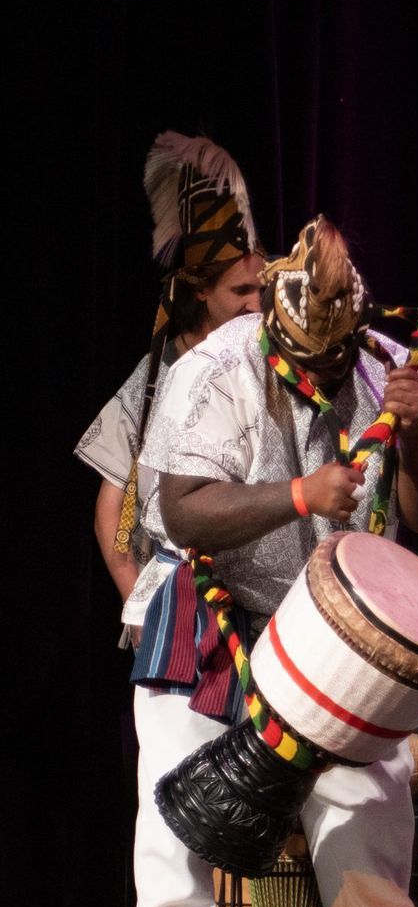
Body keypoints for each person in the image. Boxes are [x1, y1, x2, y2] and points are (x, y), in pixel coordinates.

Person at [133, 215, 418, 907]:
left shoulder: (390, 366)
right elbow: (180, 511)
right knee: (178, 786)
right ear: (272, 329)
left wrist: (415, 434)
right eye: (302, 358)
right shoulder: (216, 365)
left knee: (368, 793)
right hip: (214, 603)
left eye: (334, 357)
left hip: (327, 629)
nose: (319, 371)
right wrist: (298, 495)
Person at [76, 133, 265, 646]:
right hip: (178, 607)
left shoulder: (270, 365)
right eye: (240, 291)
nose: (256, 305)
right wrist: (134, 599)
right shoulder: (162, 371)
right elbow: (109, 510)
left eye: (262, 290)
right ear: (201, 289)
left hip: (261, 609)